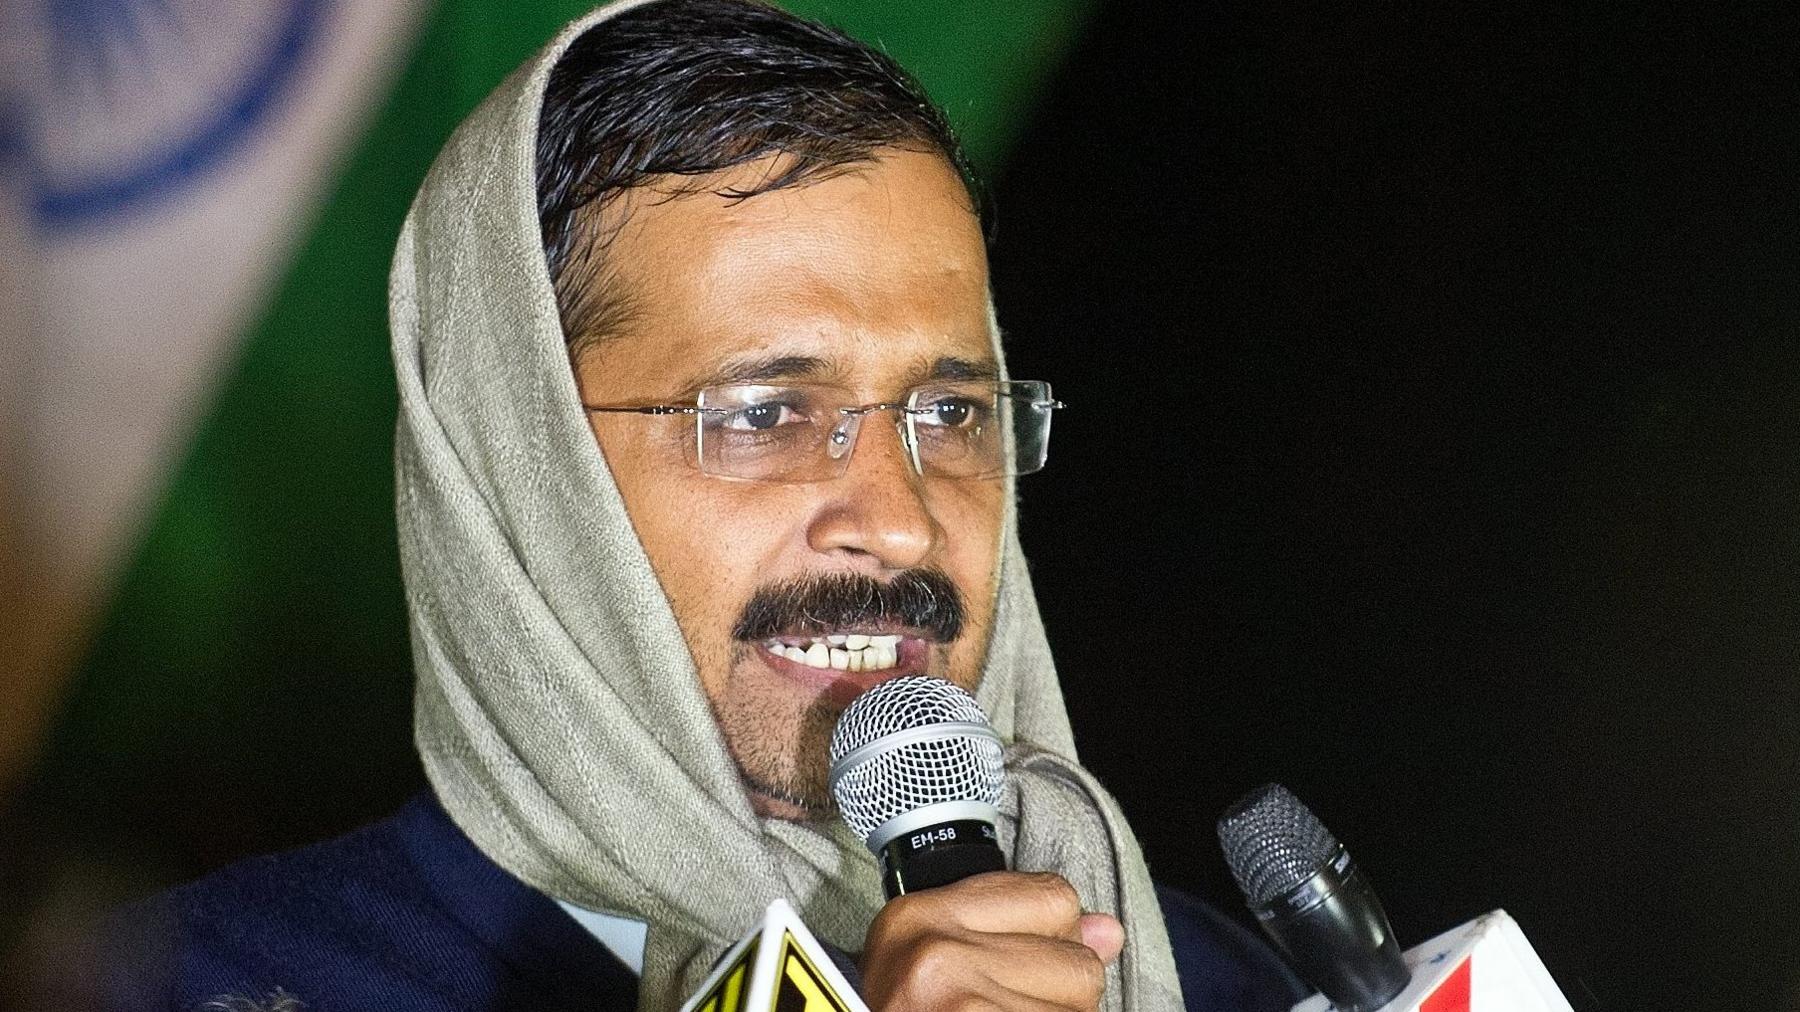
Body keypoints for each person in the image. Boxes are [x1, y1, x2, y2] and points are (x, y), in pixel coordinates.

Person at [67, 1, 1304, 1009]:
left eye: (950, 413)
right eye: (764, 413)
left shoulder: (1200, 982)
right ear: (514, 468)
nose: (906, 520)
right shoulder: (187, 987)